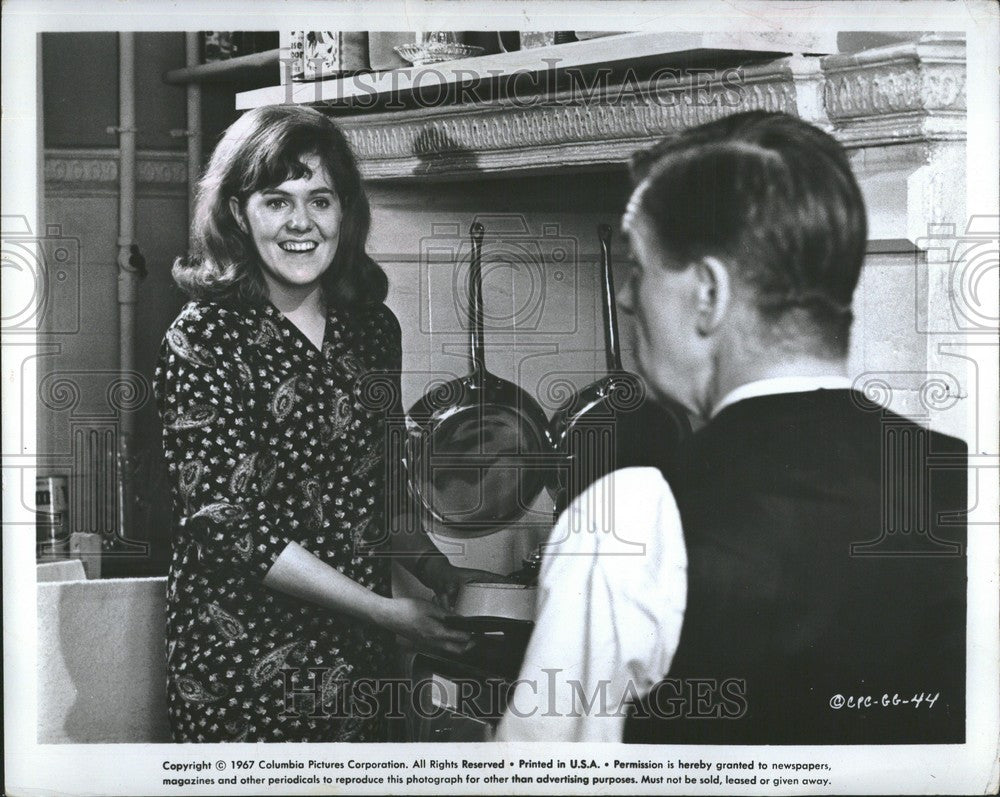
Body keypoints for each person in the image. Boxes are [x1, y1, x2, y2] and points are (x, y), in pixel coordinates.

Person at [496, 111, 966, 744]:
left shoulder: (630, 522)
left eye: (639, 268)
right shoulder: (965, 481)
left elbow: (538, 782)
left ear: (709, 294)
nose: (628, 299)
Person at [155, 105, 498, 743]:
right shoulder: (202, 337)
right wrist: (386, 612)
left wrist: (434, 567)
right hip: (241, 662)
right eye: (275, 201)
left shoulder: (372, 329)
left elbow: (380, 489)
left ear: (345, 212)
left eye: (320, 199)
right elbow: (230, 528)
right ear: (237, 213)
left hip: (359, 657)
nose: (301, 224)